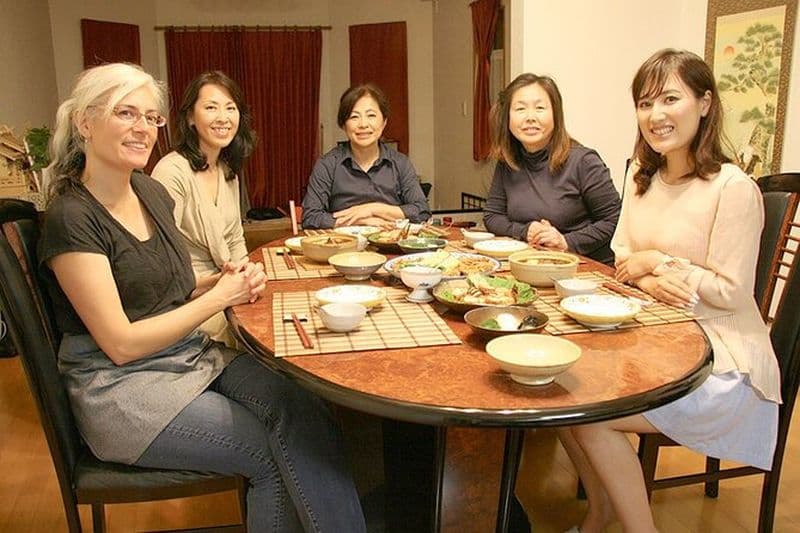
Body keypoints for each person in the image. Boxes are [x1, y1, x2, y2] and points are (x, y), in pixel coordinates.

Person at [38, 63, 366, 533]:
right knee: (269, 454)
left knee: (305, 405)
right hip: (123, 388)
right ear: (85, 123)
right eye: (125, 113)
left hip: (186, 357)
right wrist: (218, 299)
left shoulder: (148, 191)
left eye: (151, 118)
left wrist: (220, 280)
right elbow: (121, 343)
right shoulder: (72, 218)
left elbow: (166, 286)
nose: (143, 128)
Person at [560, 49, 781, 533]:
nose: (655, 115)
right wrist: (647, 275)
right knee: (563, 397)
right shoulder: (642, 179)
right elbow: (621, 259)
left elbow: (730, 291)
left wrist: (658, 261)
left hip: (725, 363)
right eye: (644, 103)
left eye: (670, 99)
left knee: (592, 417)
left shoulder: (732, 187)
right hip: (658, 342)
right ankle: (599, 514)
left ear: (704, 103)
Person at [152, 71, 255, 347]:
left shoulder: (226, 168)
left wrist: (247, 275)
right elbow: (162, 262)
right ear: (189, 117)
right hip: (189, 302)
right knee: (259, 340)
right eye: (211, 107)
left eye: (230, 108)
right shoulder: (171, 172)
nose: (223, 117)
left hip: (227, 288)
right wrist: (222, 284)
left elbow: (235, 239)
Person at [483, 74, 621, 265]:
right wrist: (524, 231)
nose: (530, 118)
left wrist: (566, 241)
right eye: (520, 109)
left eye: (540, 108)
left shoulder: (583, 161)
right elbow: (492, 216)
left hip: (585, 269)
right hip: (534, 263)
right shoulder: (508, 161)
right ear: (507, 117)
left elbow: (615, 220)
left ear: (556, 113)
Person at [301, 83, 431, 229]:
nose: (363, 124)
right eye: (354, 116)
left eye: (371, 115)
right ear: (344, 125)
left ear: (384, 122)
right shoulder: (327, 164)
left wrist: (372, 209)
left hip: (391, 245)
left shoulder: (400, 163)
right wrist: (359, 221)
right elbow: (310, 217)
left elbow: (422, 211)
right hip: (344, 247)